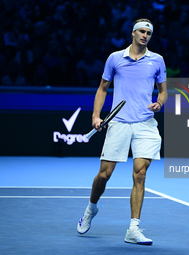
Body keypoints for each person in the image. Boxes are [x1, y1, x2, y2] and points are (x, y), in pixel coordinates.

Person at [76, 18, 167, 245]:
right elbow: (102, 88)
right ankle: (91, 208)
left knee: (140, 174)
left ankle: (133, 229)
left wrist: (160, 102)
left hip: (145, 124)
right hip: (119, 123)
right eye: (142, 31)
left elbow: (163, 90)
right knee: (104, 175)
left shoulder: (157, 60)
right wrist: (96, 116)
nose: (145, 35)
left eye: (149, 32)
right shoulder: (115, 58)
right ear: (133, 34)